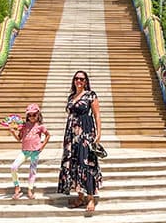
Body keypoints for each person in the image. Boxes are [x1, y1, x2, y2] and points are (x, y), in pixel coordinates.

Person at [58, 70, 102, 213]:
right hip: (71, 134)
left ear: (86, 81)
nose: (79, 81)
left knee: (86, 163)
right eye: (76, 78)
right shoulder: (71, 96)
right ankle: (80, 196)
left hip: (85, 133)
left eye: (82, 79)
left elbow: (97, 115)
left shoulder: (91, 95)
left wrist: (99, 133)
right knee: (74, 163)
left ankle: (90, 198)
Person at [8, 103, 50, 199]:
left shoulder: (40, 126)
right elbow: (19, 138)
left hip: (35, 152)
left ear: (38, 114)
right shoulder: (23, 125)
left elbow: (48, 135)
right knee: (13, 167)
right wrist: (13, 133)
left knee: (32, 171)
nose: (31, 117)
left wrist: (42, 146)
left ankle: (30, 190)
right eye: (29, 115)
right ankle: (17, 187)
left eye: (34, 115)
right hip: (25, 151)